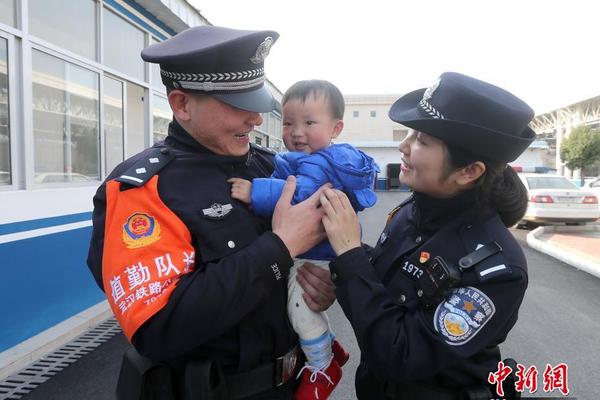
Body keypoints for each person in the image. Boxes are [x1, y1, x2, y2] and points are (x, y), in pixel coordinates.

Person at [86, 25, 336, 400]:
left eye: (257, 103)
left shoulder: (272, 167)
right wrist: (279, 247)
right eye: (238, 104)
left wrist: (321, 285)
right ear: (182, 104)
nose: (255, 119)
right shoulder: (144, 189)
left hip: (291, 382)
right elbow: (158, 327)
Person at [318, 72, 536, 399]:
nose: (403, 146)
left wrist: (351, 258)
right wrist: (339, 276)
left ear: (469, 171)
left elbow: (401, 354)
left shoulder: (497, 269)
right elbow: (383, 281)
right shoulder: (412, 211)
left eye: (422, 140)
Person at [228, 80, 379, 400]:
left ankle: (323, 364)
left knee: (300, 308)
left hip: (316, 255)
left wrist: (255, 191)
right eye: (287, 122)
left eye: (309, 123)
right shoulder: (307, 157)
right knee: (301, 308)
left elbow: (301, 195)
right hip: (311, 252)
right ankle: (326, 348)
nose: (296, 132)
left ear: (336, 128)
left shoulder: (322, 162)